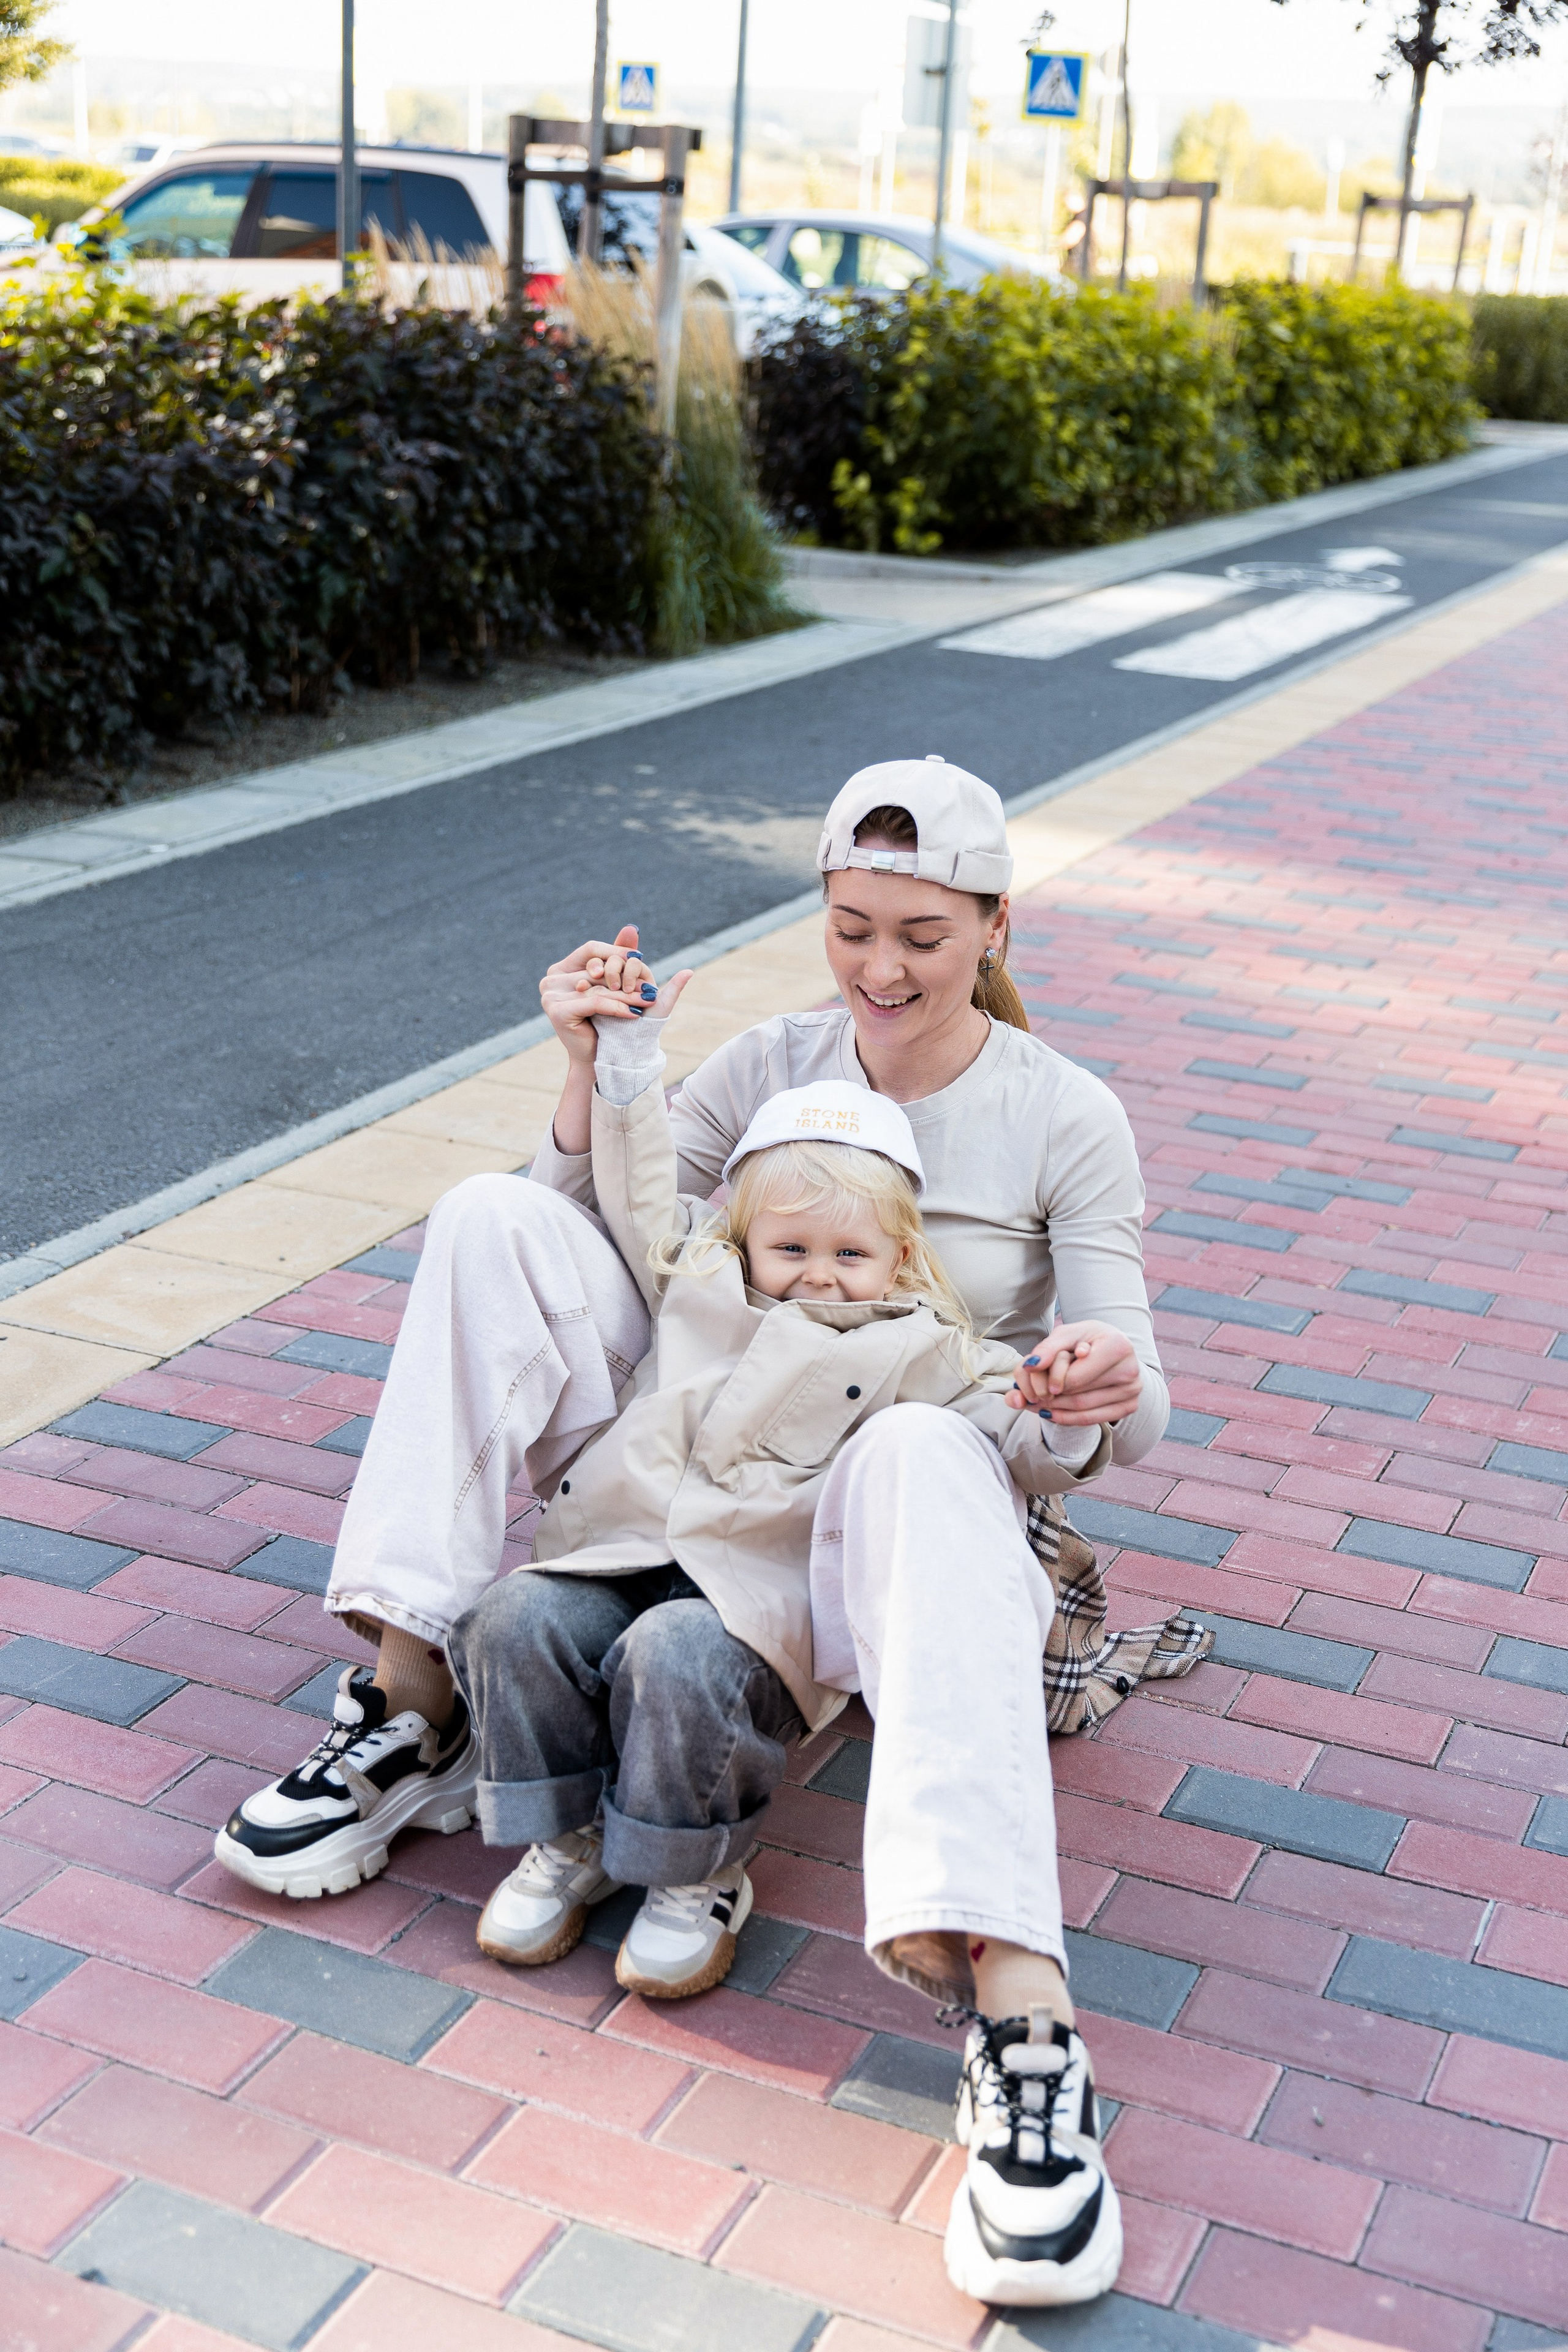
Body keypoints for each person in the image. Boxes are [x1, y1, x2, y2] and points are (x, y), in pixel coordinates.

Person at [215, 755, 1170, 2309]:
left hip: (877, 1526)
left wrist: (1092, 1390)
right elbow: (607, 1231)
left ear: (994, 921)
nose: (878, 969)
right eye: (849, 924)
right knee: (485, 1214)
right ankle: (414, 1707)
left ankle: (1021, 2020)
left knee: (930, 1440)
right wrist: (590, 1069)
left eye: (921, 935)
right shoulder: (771, 1060)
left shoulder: (1065, 1115)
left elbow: (1122, 1405)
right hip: (683, 1468)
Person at [451, 1022, 1111, 2001]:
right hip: (616, 1550)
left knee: (677, 1654)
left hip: (753, 1601)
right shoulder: (700, 1277)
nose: (819, 1271)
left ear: (900, 1253)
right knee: (511, 1619)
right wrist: (625, 1064)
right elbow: (638, 1182)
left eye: (852, 1252)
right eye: (791, 1246)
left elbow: (1010, 1442)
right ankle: (568, 1836)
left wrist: (1055, 1416)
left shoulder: (921, 1346)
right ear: (744, 1237)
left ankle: (694, 1869)